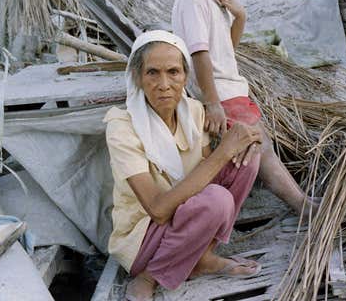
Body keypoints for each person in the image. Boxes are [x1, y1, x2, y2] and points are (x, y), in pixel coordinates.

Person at [169, 0, 317, 216]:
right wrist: (212, 102)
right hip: (221, 93)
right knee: (260, 150)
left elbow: (226, 50)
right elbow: (199, 53)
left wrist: (240, 16)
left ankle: (301, 203)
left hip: (230, 87)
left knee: (259, 148)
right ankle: (302, 206)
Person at [104, 30, 264, 301]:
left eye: (173, 72)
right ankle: (149, 276)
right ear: (138, 78)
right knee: (216, 199)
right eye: (152, 73)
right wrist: (222, 152)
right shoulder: (122, 127)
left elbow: (203, 173)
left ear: (185, 77)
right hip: (144, 240)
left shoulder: (193, 111)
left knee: (246, 162)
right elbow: (158, 210)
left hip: (186, 221)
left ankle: (202, 256)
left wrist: (242, 145)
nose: (164, 84)